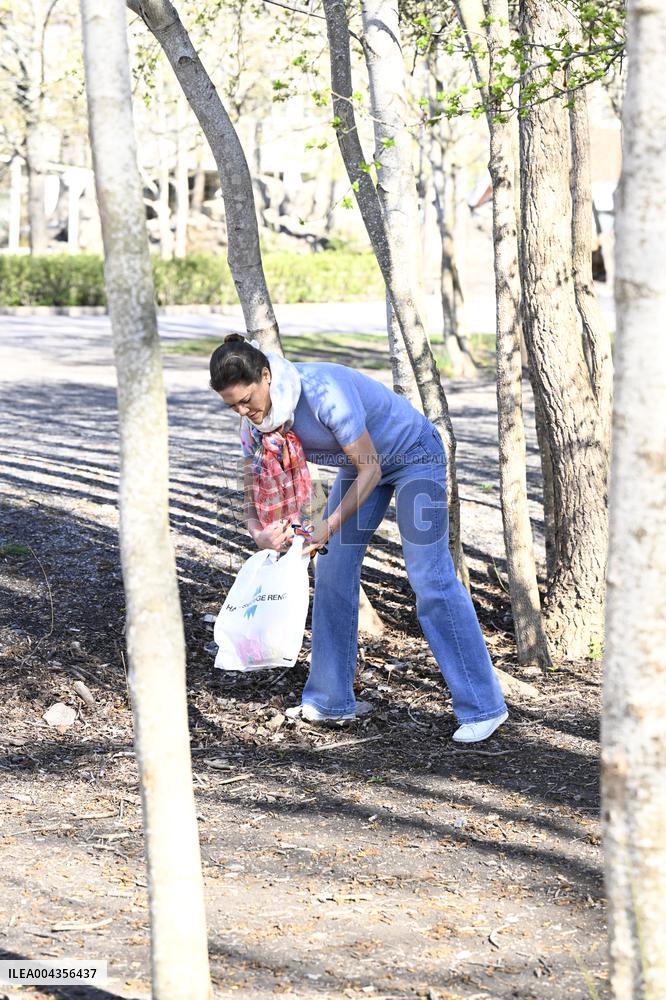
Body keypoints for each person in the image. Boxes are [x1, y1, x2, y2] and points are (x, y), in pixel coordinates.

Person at [210, 335, 508, 743]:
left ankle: (483, 706)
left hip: (414, 457)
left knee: (429, 577)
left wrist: (328, 524)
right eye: (233, 406)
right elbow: (253, 482)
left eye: (246, 399)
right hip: (363, 466)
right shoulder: (257, 425)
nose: (244, 412)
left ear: (266, 376)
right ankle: (330, 699)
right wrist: (259, 530)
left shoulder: (321, 394)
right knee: (331, 567)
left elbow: (370, 469)